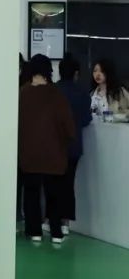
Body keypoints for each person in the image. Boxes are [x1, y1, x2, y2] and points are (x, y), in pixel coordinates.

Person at [19, 54, 75, 245]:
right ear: (48, 71)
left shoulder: (22, 94)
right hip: (54, 155)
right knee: (54, 195)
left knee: (31, 193)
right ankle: (56, 232)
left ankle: (34, 231)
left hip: (29, 155)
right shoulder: (57, 95)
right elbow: (68, 126)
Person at [55, 55, 92, 235]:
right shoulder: (83, 93)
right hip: (74, 146)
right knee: (68, 184)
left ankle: (51, 220)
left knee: (52, 184)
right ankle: (65, 222)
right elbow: (86, 119)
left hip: (53, 145)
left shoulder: (53, 91)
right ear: (76, 74)